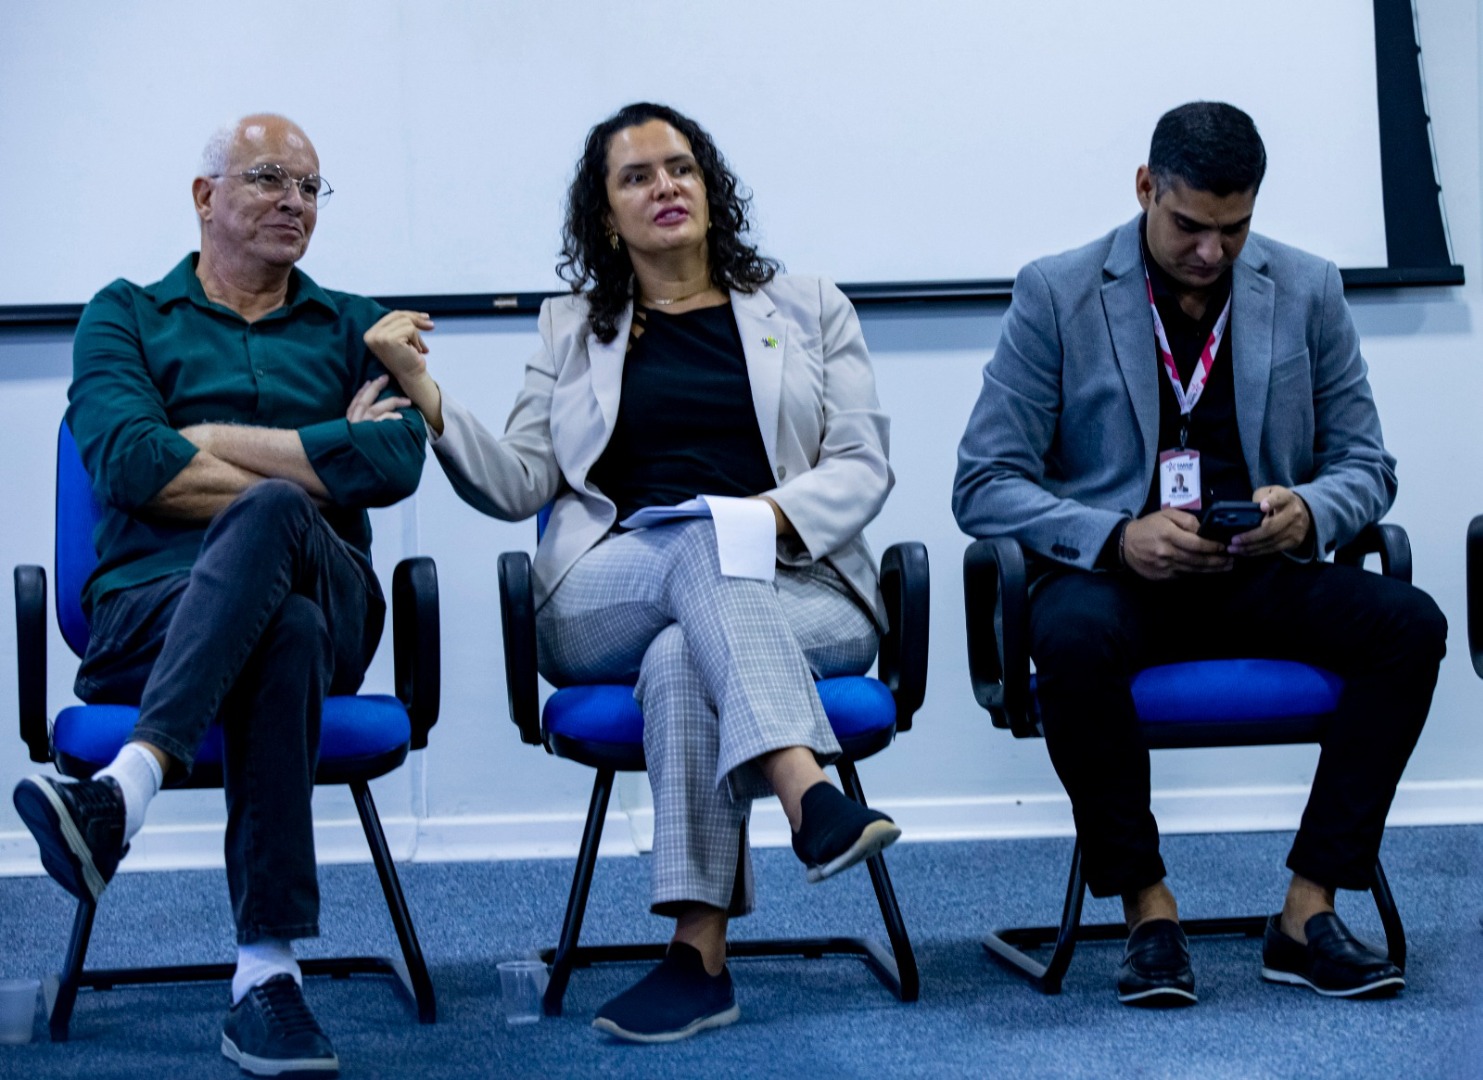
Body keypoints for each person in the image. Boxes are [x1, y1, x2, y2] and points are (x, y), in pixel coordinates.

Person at [364, 101, 898, 1043]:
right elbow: (520, 482)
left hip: (802, 588)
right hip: (604, 591)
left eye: (681, 168)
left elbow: (860, 465)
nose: (665, 187)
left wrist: (760, 519)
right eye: (637, 176)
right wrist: (424, 393)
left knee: (684, 649)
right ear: (606, 215)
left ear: (710, 187)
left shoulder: (810, 306)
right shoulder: (572, 327)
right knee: (699, 542)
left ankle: (697, 959)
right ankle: (806, 788)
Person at [953, 102, 1446, 1006]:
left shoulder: (1306, 288)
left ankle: (1306, 909)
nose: (1211, 253)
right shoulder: (1056, 292)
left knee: (1409, 626)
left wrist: (1305, 511)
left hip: (1258, 570)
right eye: (1188, 226)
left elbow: (1366, 464)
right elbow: (982, 483)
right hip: (1116, 581)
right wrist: (1115, 536)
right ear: (1145, 188)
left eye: (1234, 229)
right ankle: (1147, 911)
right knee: (1068, 638)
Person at [12, 114, 426, 1076]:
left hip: (335, 601)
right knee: (283, 621)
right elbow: (127, 461)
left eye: (311, 187)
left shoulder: (356, 323)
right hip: (146, 615)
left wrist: (205, 441)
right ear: (206, 196)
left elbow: (396, 460)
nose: (295, 202)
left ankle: (123, 792)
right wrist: (319, 465)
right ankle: (266, 976)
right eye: (270, 177)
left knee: (283, 541)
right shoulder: (122, 315)